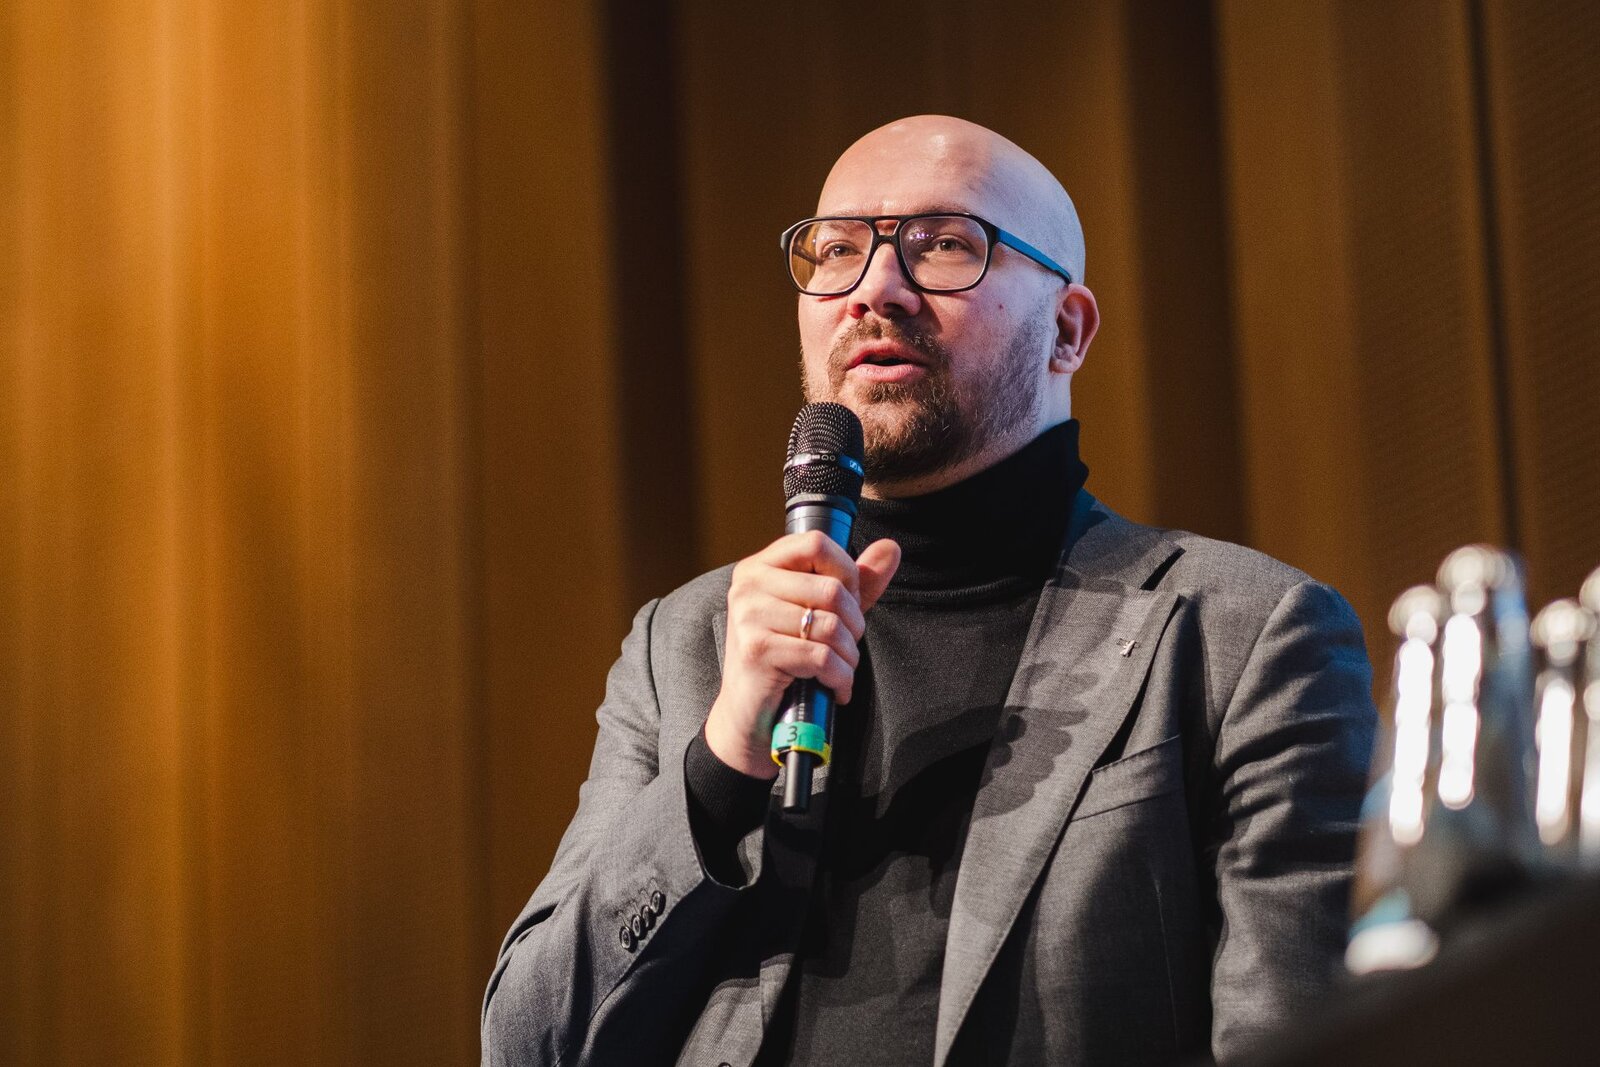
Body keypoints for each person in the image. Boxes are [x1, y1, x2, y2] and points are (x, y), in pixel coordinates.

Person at [481, 115, 1377, 1066]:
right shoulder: (685, 647)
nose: (875, 289)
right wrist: (718, 766)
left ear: (1067, 329)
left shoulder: (1240, 635)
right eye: (838, 251)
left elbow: (1299, 1036)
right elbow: (528, 1044)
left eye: (943, 244)